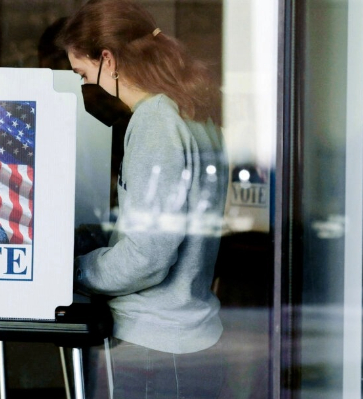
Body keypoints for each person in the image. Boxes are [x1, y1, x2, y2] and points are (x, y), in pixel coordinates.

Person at [57, 1, 228, 398]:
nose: (88, 86)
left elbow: (148, 256)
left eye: (83, 74)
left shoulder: (154, 121)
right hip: (189, 337)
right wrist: (93, 237)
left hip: (154, 345)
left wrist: (73, 271)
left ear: (107, 59)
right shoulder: (193, 112)